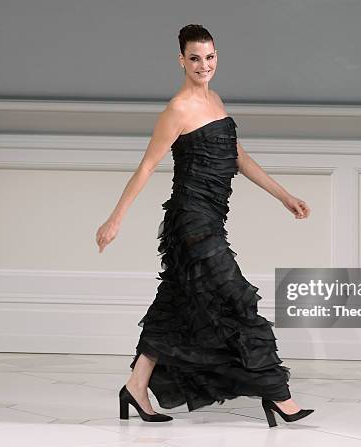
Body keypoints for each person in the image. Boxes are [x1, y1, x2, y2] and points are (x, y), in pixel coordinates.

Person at [95, 24, 314, 427]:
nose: (203, 65)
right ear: (181, 60)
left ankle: (136, 385)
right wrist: (115, 218)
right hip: (191, 220)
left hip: (212, 217)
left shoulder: (214, 98)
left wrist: (284, 196)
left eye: (210, 57)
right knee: (235, 297)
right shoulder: (177, 109)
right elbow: (146, 167)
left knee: (176, 306)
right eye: (195, 58)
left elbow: (238, 157)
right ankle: (278, 395)